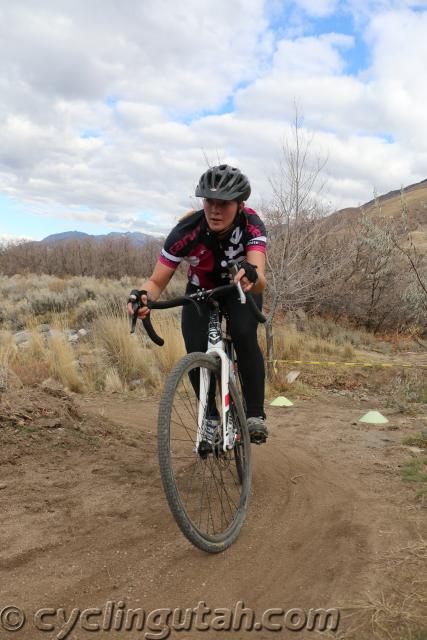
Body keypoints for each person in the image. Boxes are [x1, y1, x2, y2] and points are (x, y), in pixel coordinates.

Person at [128, 164, 268, 444]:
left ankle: (255, 414)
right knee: (194, 347)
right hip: (200, 290)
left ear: (240, 205)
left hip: (240, 284)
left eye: (223, 203)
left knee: (243, 332)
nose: (215, 210)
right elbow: (155, 282)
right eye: (209, 202)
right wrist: (141, 297)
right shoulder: (185, 232)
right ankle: (210, 416)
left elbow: (260, 278)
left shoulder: (251, 223)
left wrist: (251, 274)